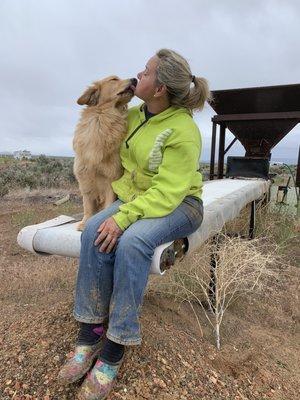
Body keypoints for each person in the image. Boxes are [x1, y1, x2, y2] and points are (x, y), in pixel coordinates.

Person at [58, 48, 210, 400]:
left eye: (146, 71)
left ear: (159, 89)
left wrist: (123, 216)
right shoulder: (138, 114)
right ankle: (91, 331)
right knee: (95, 229)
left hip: (180, 204)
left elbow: (168, 193)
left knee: (131, 242)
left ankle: (115, 347)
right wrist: (112, 210)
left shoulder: (183, 131)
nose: (137, 74)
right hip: (139, 198)